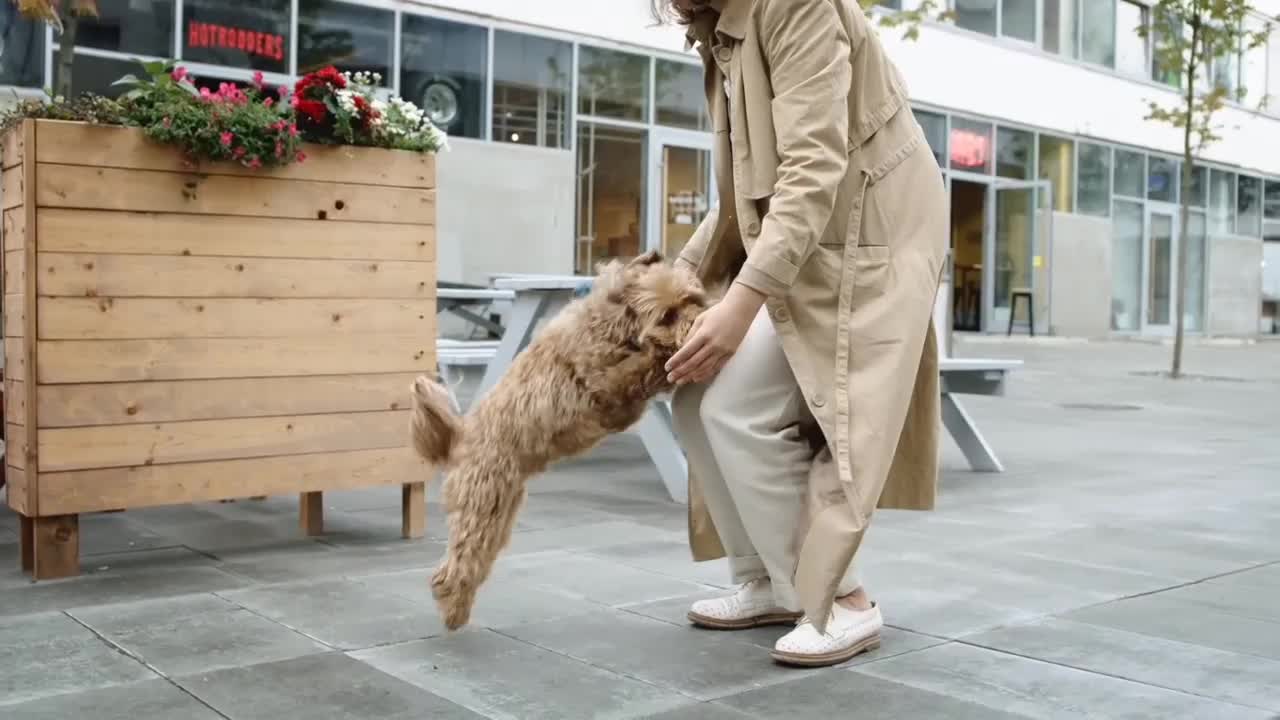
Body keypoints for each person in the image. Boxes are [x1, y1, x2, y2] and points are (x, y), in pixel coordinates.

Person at [655, 0, 948, 667]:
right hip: (813, 234)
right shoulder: (721, 30)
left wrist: (741, 305)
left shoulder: (796, 5)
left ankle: (841, 600)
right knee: (698, 398)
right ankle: (768, 581)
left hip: (872, 233)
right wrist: (684, 273)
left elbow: (813, 166)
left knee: (738, 404)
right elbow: (745, 190)